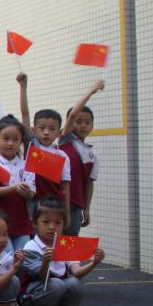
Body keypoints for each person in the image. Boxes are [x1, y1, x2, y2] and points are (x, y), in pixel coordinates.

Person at [20, 198, 105, 306]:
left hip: (54, 292)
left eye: (58, 223)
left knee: (76, 283)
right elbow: (42, 277)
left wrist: (94, 262)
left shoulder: (64, 245)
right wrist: (45, 262)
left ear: (64, 225)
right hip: (32, 298)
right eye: (45, 222)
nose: (52, 227)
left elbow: (77, 272)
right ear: (35, 223)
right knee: (56, 284)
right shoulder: (31, 247)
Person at [0, 115, 35, 250]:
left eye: (16, 139)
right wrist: (15, 188)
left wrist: (27, 193)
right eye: (6, 138)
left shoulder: (26, 165)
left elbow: (32, 194)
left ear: (21, 141)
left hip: (21, 221)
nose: (10, 143)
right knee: (6, 258)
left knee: (23, 256)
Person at [18, 74, 71, 210]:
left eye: (52, 129)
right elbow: (25, 114)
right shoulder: (32, 145)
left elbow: (65, 185)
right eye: (42, 128)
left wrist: (67, 212)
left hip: (54, 205)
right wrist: (23, 87)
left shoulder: (62, 156)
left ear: (59, 132)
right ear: (33, 130)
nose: (46, 132)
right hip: (33, 202)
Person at [58, 82, 104, 235]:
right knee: (53, 244)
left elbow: (90, 183)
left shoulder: (93, 155)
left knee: (70, 244)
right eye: (78, 122)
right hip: (57, 203)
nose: (83, 125)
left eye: (87, 122)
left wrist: (87, 208)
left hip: (77, 206)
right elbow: (72, 115)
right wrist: (91, 91)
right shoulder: (66, 140)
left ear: (92, 126)